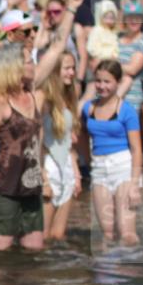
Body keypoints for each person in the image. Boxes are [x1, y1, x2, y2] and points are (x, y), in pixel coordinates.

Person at [0, 43, 46, 251]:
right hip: (4, 185)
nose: (34, 65)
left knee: (34, 253)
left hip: (31, 185)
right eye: (30, 61)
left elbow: (38, 139)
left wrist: (42, 171)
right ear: (15, 67)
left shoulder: (35, 95)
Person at [79, 59, 143, 246]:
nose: (102, 86)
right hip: (99, 169)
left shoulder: (127, 111)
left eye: (107, 81)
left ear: (118, 82)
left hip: (123, 168)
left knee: (127, 233)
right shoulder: (88, 108)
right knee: (106, 233)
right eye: (98, 81)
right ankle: (107, 265)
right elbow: (82, 135)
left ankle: (133, 263)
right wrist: (88, 160)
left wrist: (134, 184)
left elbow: (137, 149)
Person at [41, 51, 81, 242]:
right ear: (54, 70)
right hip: (49, 169)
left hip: (66, 170)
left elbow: (69, 143)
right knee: (43, 237)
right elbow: (36, 143)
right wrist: (44, 180)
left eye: (73, 68)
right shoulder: (44, 100)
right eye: (67, 68)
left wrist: (76, 174)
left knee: (58, 236)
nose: (72, 73)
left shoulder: (70, 96)